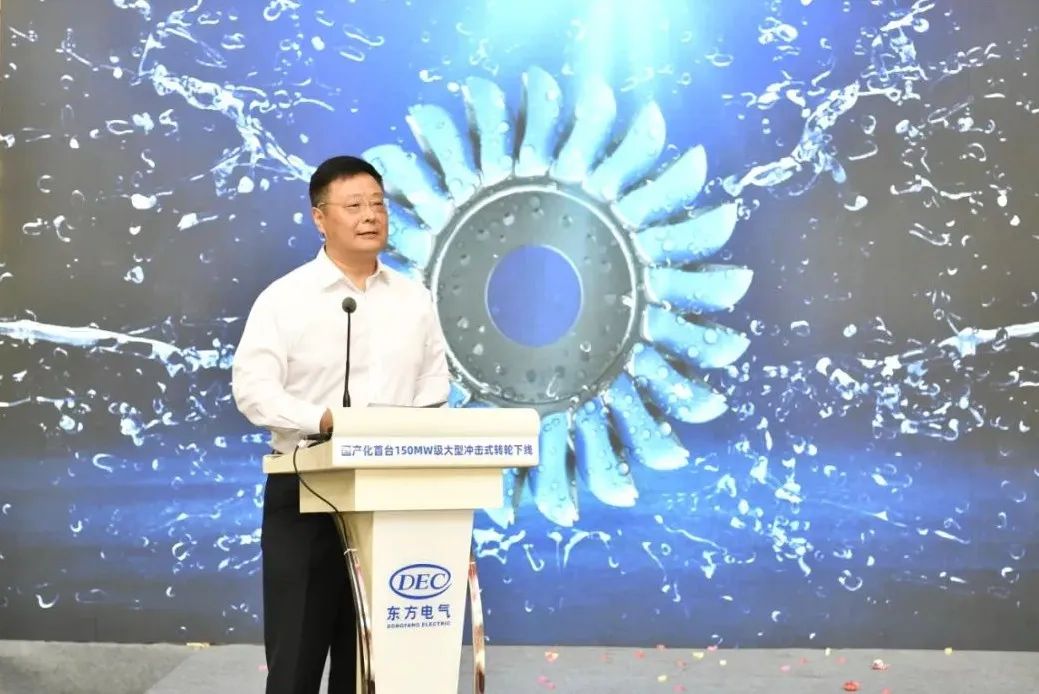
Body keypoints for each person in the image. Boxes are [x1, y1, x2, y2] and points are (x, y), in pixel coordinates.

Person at [231, 155, 451, 693]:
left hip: (391, 497)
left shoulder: (414, 300)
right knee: (296, 664)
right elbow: (253, 389)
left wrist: (406, 437)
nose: (370, 215)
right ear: (319, 218)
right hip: (306, 490)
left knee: (372, 669)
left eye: (378, 204)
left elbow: (433, 390)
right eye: (354, 205)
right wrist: (322, 418)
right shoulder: (285, 299)